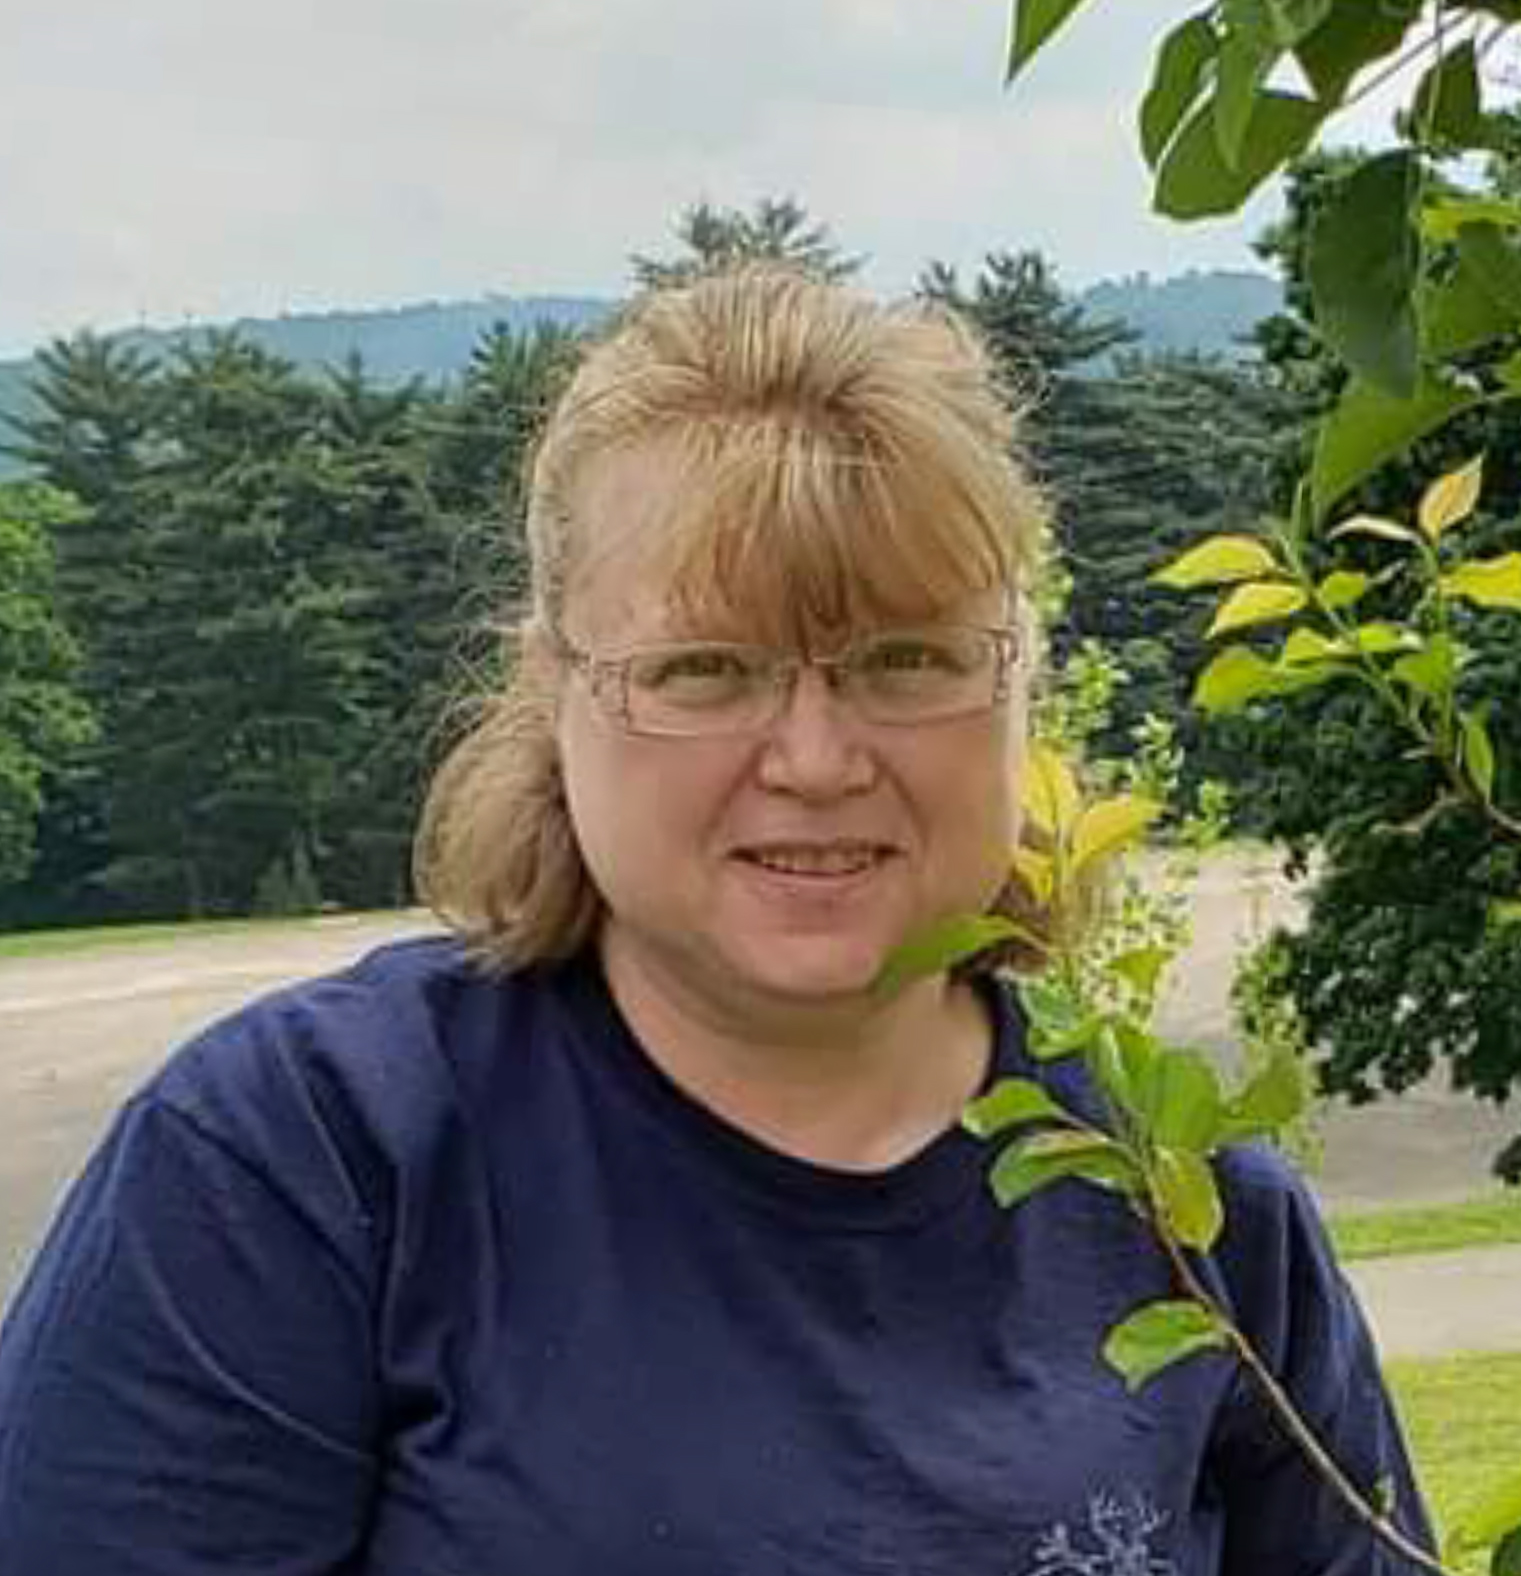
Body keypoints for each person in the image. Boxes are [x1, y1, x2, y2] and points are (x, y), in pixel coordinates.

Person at [0, 267, 1429, 1575]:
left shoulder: (1195, 1212)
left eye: (905, 659)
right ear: (554, 692)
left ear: (1021, 684)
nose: (814, 758)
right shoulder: (302, 1164)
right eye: (705, 669)